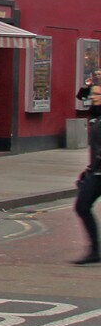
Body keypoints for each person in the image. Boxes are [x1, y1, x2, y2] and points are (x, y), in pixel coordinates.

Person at [74, 70, 101, 265]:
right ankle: (94, 251)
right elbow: (80, 96)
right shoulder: (96, 116)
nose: (93, 97)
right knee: (82, 206)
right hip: (97, 171)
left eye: (97, 95)